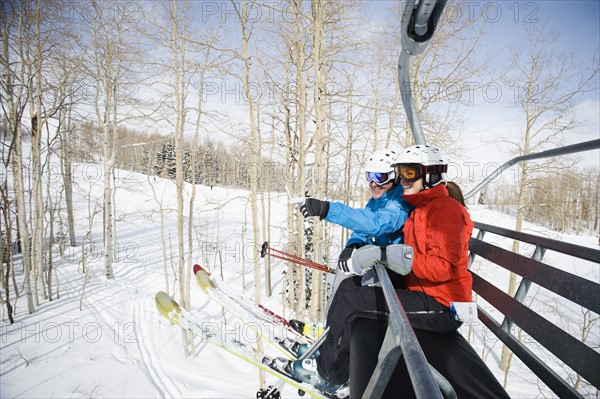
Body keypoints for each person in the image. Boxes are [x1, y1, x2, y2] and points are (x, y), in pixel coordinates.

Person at [289, 145, 509, 398]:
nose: (402, 180)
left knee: (352, 299)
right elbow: (377, 226)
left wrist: (389, 256)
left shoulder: (445, 210)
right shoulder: (421, 206)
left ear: (431, 175)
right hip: (422, 293)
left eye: (409, 173)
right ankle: (331, 359)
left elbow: (443, 268)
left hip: (443, 306)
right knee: (350, 289)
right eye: (399, 173)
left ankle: (330, 375)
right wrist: (362, 247)